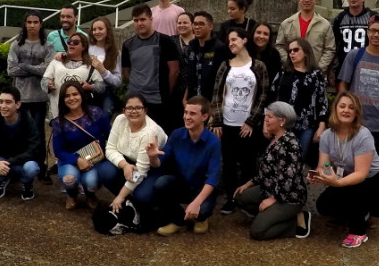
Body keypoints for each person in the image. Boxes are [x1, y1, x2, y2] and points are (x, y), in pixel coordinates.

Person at [309, 91, 379, 248]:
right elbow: (323, 166)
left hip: (373, 180)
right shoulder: (327, 135)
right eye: (342, 106)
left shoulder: (363, 135)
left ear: (356, 112)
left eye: (351, 108)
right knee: (323, 205)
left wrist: (337, 183)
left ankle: (359, 232)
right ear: (336, 109)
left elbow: (361, 174)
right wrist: (318, 175)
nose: (346, 110)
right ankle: (357, 214)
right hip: (347, 178)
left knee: (355, 192)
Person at [210, 28, 270, 216]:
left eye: (234, 39)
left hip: (248, 126)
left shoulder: (258, 66)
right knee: (228, 163)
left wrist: (252, 121)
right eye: (229, 41)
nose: (231, 43)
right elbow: (217, 94)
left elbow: (263, 95)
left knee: (248, 164)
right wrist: (218, 121)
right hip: (227, 124)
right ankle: (231, 199)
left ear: (245, 40)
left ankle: (247, 200)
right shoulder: (225, 65)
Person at [233, 102, 309, 240]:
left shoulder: (291, 144)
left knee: (257, 232)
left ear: (282, 121)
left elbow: (288, 180)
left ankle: (296, 223)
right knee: (240, 196)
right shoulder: (274, 138)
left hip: (287, 197)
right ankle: (272, 216)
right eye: (266, 116)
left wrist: (272, 200)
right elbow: (266, 171)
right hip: (269, 188)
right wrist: (249, 183)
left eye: (270, 117)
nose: (265, 120)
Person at [147, 96, 222, 235]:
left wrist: (196, 203)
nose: (187, 117)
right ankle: (178, 220)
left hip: (202, 187)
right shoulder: (177, 134)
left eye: (192, 113)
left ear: (204, 116)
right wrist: (152, 157)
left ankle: (201, 218)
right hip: (182, 183)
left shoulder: (213, 142)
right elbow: (160, 163)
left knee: (202, 211)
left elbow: (213, 178)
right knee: (161, 184)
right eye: (186, 112)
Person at [338, 15, 379, 159]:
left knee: (375, 164)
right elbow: (343, 84)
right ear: (367, 32)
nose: (376, 35)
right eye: (373, 31)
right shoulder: (355, 55)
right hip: (356, 121)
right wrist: (343, 110)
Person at [99, 94, 168, 221]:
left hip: (154, 165)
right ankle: (130, 202)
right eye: (129, 108)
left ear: (145, 110)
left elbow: (141, 171)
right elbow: (110, 148)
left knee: (142, 196)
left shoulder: (150, 132)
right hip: (129, 161)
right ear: (124, 110)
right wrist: (124, 165)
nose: (133, 111)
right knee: (104, 170)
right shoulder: (120, 120)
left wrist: (120, 196)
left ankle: (142, 204)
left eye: (138, 108)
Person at [7, 11, 54, 184]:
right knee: (19, 133)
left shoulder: (47, 46)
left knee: (39, 134)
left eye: (36, 22)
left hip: (39, 98)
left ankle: (41, 168)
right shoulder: (16, 45)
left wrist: (24, 66)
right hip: (21, 98)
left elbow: (48, 70)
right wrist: (36, 67)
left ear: (41, 24)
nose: (32, 25)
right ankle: (19, 166)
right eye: (29, 22)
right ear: (25, 24)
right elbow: (11, 70)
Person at [0, 86, 42, 201]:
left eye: (8, 102)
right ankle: (1, 180)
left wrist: (9, 162)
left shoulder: (28, 122)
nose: (3, 106)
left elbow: (34, 150)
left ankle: (26, 183)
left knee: (32, 168)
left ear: (18, 104)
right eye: (1, 102)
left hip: (20, 162)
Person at [50, 81, 111, 210]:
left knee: (91, 182)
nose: (72, 98)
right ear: (62, 99)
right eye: (67, 96)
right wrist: (77, 160)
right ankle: (71, 195)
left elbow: (110, 136)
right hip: (69, 160)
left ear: (82, 95)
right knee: (69, 179)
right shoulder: (59, 122)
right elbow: (58, 151)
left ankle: (90, 195)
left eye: (75, 94)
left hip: (94, 159)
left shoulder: (97, 113)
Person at [122, 4, 181, 134]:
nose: (139, 23)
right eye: (136, 20)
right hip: (135, 100)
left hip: (158, 102)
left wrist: (166, 93)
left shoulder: (166, 41)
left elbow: (174, 71)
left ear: (151, 19)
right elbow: (126, 72)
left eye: (143, 19)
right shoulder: (127, 45)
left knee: (158, 138)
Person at [270, 37, 328, 161]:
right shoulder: (283, 72)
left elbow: (322, 102)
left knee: (298, 160)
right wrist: (267, 122)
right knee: (278, 159)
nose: (292, 53)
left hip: (306, 126)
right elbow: (272, 96)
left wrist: (321, 127)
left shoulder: (316, 74)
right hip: (282, 124)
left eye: (296, 50)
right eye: (290, 50)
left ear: (306, 52)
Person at [42, 32, 104, 121]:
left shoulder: (90, 65)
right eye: (69, 41)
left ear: (83, 47)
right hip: (57, 111)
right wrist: (48, 85)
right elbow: (44, 80)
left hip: (80, 114)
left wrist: (90, 87)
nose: (71, 43)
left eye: (75, 42)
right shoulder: (57, 61)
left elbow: (101, 86)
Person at [274, 0, 336, 73]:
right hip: (291, 72)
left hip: (315, 73)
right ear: (299, 0)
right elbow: (279, 46)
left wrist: (319, 68)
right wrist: (289, 62)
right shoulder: (287, 23)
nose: (306, 0)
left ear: (316, 0)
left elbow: (330, 49)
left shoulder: (325, 25)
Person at [331, 0, 378, 77]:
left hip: (367, 68)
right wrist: (331, 68)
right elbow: (334, 44)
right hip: (344, 67)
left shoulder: (372, 17)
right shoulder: (340, 18)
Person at [185, 11, 223, 101]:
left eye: (201, 24)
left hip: (210, 99)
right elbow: (190, 75)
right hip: (192, 97)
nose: (197, 27)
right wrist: (185, 97)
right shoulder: (191, 46)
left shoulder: (219, 47)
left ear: (210, 27)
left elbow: (221, 77)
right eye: (195, 24)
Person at [88, 17, 122, 116]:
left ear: (108, 30)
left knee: (105, 115)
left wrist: (103, 71)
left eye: (100, 29)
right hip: (87, 89)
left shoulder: (116, 53)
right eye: (94, 29)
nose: (97, 32)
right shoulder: (87, 48)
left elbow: (117, 81)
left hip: (105, 91)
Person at [252, 21, 282, 86]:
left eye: (265, 34)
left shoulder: (275, 55)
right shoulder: (244, 51)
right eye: (258, 32)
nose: (261, 36)